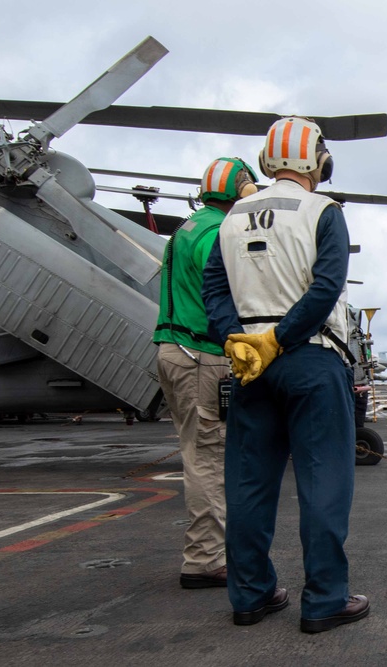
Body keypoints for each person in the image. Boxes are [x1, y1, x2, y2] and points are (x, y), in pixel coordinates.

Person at [202, 117, 369, 633]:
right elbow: (325, 288)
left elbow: (213, 287)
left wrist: (239, 339)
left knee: (249, 485)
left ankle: (250, 596)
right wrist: (280, 338)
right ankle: (324, 601)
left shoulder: (231, 219)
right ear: (316, 161)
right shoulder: (324, 211)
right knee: (324, 483)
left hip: (250, 366)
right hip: (311, 359)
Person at [153, 157, 259, 589]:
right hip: (201, 355)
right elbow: (234, 292)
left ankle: (209, 551)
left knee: (200, 453)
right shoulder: (219, 232)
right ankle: (205, 560)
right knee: (210, 459)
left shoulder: (185, 229)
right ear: (242, 190)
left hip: (174, 350)